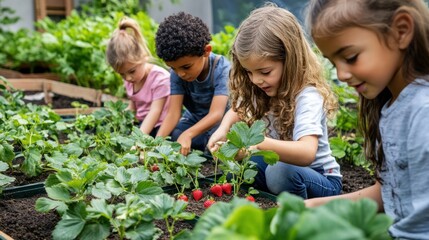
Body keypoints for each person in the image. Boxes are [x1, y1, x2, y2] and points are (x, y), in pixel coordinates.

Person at [305, 0, 429, 238]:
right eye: (333, 63)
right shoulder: (393, 104)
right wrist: (313, 208)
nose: (341, 75)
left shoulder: (422, 112)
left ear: (401, 31)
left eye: (350, 57)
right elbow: (392, 193)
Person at [207, 3, 342, 200]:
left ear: (289, 60)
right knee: (236, 169)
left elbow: (306, 153)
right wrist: (223, 129)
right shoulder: (263, 88)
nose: (255, 80)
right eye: (249, 72)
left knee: (280, 172)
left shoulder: (307, 96)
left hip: (320, 178)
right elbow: (238, 110)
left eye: (265, 72)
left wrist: (259, 144)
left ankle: (299, 212)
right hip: (279, 167)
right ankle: (272, 197)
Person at [155, 12, 230, 156]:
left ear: (206, 51)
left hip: (220, 123)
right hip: (195, 120)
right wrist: (155, 145)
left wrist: (189, 134)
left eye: (186, 67)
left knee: (216, 144)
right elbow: (173, 113)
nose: (180, 74)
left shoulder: (222, 69)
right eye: (173, 68)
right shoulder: (177, 74)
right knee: (176, 134)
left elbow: (216, 114)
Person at [106, 17, 170, 137]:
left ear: (143, 57)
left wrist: (138, 139)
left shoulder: (160, 79)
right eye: (122, 74)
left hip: (159, 127)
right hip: (141, 124)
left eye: (132, 71)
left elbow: (155, 112)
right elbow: (132, 106)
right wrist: (118, 120)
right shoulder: (130, 79)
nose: (128, 78)